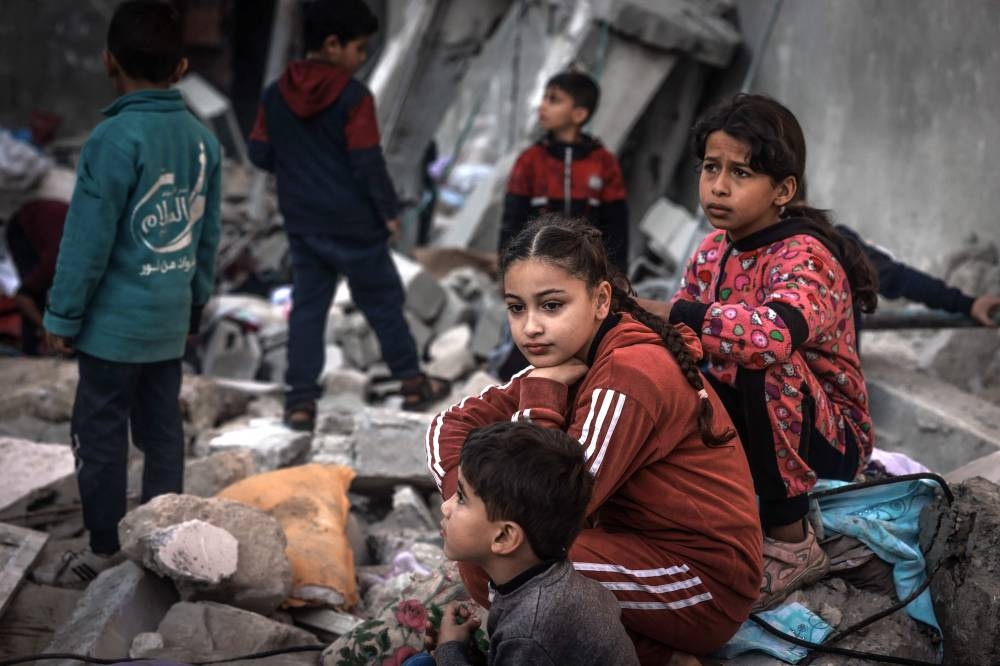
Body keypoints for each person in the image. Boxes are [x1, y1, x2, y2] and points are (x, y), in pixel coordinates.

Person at [426, 216, 762, 663]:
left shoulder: (627, 376)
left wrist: (542, 394)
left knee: (497, 558)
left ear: (601, 300)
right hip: (632, 546)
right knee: (487, 541)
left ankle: (656, 656)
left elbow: (542, 506)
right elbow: (446, 426)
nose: (530, 328)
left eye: (551, 306)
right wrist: (471, 504)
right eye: (516, 307)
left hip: (700, 584)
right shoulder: (568, 356)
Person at [656, 93, 878, 610]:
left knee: (765, 362)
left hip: (829, 435)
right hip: (754, 418)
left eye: (741, 172)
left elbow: (772, 337)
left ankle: (792, 541)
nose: (719, 185)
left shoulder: (805, 256)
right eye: (711, 167)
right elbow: (685, 339)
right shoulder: (714, 249)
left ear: (783, 190)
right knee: (664, 364)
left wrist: (674, 315)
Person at [42, 0, 221, 583]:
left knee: (100, 437)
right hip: (168, 323)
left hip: (111, 332)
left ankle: (101, 550)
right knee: (162, 432)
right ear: (182, 67)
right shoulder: (203, 141)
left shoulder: (113, 139)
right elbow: (205, 235)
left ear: (107, 61)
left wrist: (63, 316)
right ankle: (165, 547)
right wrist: (195, 301)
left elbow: (86, 240)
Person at [249, 0, 447, 429]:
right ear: (333, 45)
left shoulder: (274, 94)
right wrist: (388, 212)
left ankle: (300, 401)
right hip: (356, 224)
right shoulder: (353, 97)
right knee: (383, 303)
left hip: (303, 224)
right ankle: (412, 383)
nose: (361, 59)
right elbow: (366, 161)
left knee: (307, 310)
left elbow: (260, 153)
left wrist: (298, 163)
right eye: (360, 49)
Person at [412, 421, 639, 665]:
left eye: (462, 498)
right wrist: (464, 651)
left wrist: (450, 650)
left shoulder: (531, 629)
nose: (445, 507)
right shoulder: (549, 581)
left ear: (504, 537)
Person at [499, 70, 629, 272]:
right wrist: (507, 266)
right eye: (544, 97)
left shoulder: (603, 162)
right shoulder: (530, 160)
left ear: (579, 114)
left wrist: (618, 271)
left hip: (586, 267)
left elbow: (616, 224)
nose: (543, 106)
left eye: (554, 100)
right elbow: (512, 220)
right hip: (537, 264)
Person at [835, 224, 1000, 328]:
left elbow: (895, 278)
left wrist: (968, 305)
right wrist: (968, 305)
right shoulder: (833, 241)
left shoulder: (834, 242)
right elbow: (896, 278)